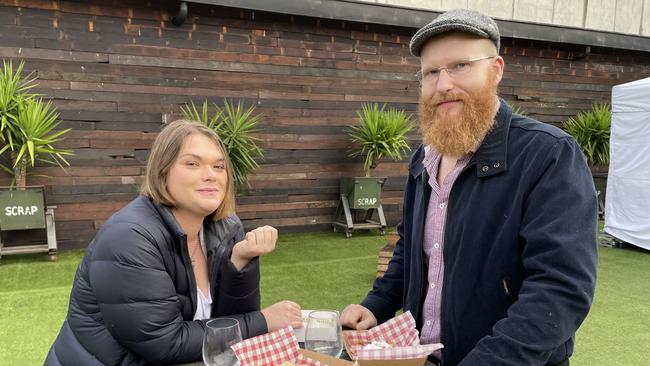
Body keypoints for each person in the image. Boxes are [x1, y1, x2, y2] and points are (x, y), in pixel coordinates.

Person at [341, 9, 598, 366]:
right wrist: (376, 305)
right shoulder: (424, 159)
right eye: (431, 72)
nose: (443, 84)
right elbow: (411, 247)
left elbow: (560, 290)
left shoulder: (548, 155)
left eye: (460, 66)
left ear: (495, 70)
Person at [45, 120, 303, 365]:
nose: (211, 175)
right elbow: (164, 343)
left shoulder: (226, 226)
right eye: (192, 164)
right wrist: (265, 321)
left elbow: (228, 325)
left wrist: (240, 261)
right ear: (162, 172)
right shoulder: (129, 237)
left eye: (219, 166)